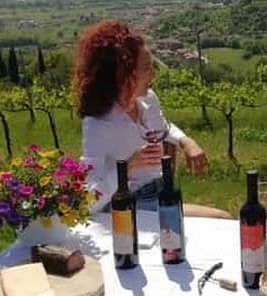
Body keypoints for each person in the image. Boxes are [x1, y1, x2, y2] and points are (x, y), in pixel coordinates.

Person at [73, 20, 229, 218]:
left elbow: (164, 127)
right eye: (147, 67)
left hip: (161, 192)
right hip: (130, 206)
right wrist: (128, 167)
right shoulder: (98, 124)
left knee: (222, 219)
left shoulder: (147, 99)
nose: (154, 73)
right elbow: (89, 199)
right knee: (221, 220)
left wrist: (186, 141)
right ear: (122, 74)